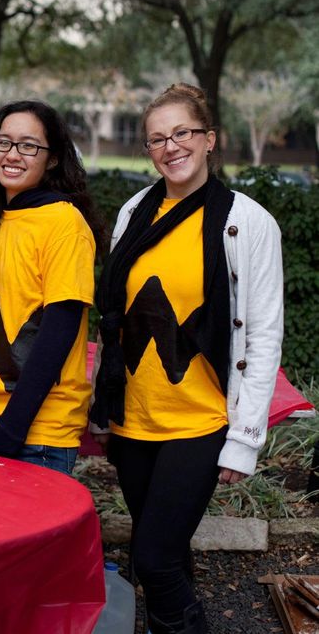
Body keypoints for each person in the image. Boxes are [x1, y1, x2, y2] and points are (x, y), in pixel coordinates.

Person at [90, 83, 283, 633]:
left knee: (152, 559)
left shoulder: (247, 223)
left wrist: (245, 439)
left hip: (199, 423)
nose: (170, 146)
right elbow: (116, 316)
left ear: (209, 140)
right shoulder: (135, 211)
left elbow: (264, 335)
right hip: (136, 420)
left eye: (182, 133)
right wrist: (106, 407)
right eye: (157, 138)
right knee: (168, 558)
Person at [0, 101, 105, 475]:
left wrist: (14, 425)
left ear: (52, 159)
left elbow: (58, 333)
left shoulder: (64, 223)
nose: (13, 155)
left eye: (28, 145)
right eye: (4, 143)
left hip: (38, 433)